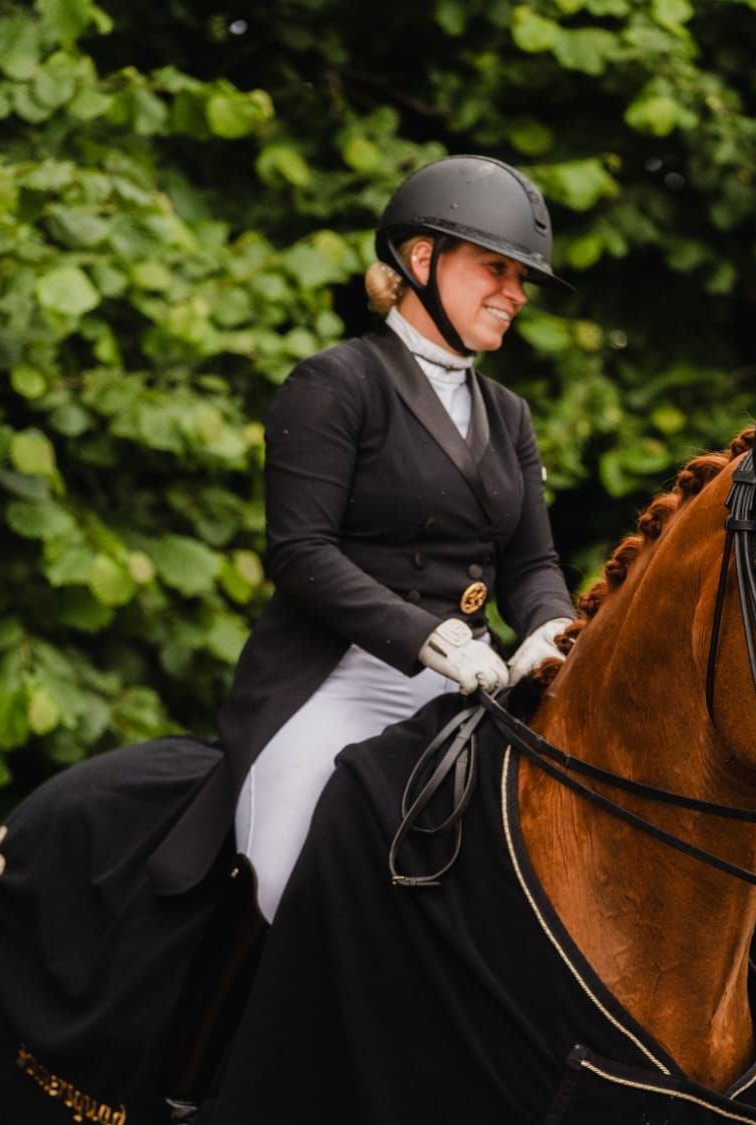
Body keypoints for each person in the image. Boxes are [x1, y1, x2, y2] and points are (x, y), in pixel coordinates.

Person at [211, 154, 578, 922]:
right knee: (281, 879)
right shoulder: (335, 384)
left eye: (521, 278)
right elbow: (301, 554)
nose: (515, 293)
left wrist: (548, 625)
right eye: (496, 269)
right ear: (422, 259)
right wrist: (432, 639)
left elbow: (533, 560)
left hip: (474, 687)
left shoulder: (508, 413)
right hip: (337, 679)